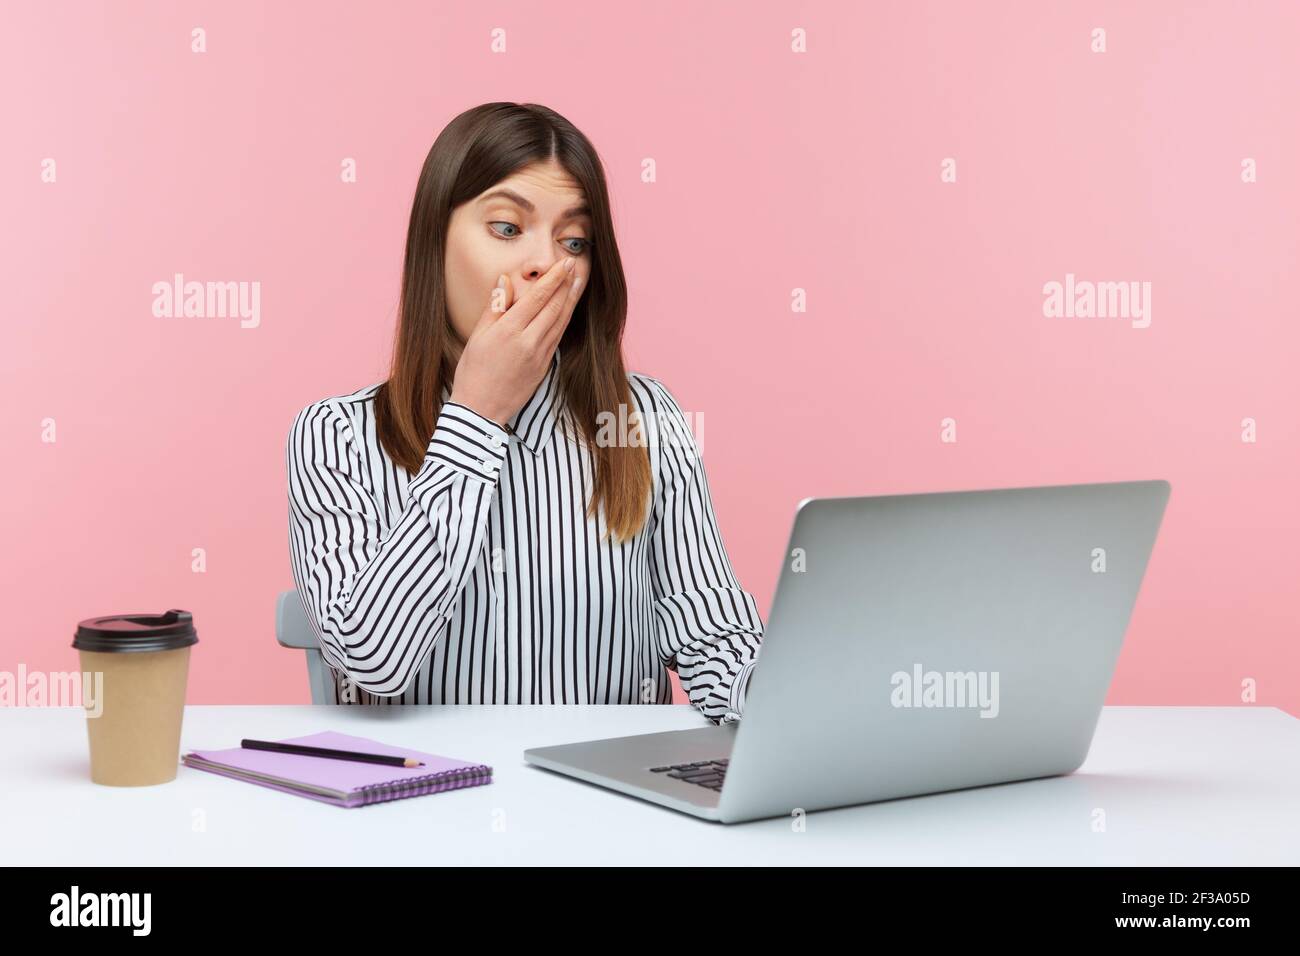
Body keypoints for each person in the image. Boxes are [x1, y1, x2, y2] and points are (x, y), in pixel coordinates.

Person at [286, 102, 762, 725]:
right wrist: (478, 414)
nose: (546, 264)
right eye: (508, 228)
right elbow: (370, 657)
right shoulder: (336, 436)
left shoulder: (641, 420)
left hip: (607, 807)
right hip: (425, 806)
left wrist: (782, 692)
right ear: (434, 241)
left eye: (574, 241)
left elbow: (715, 638)